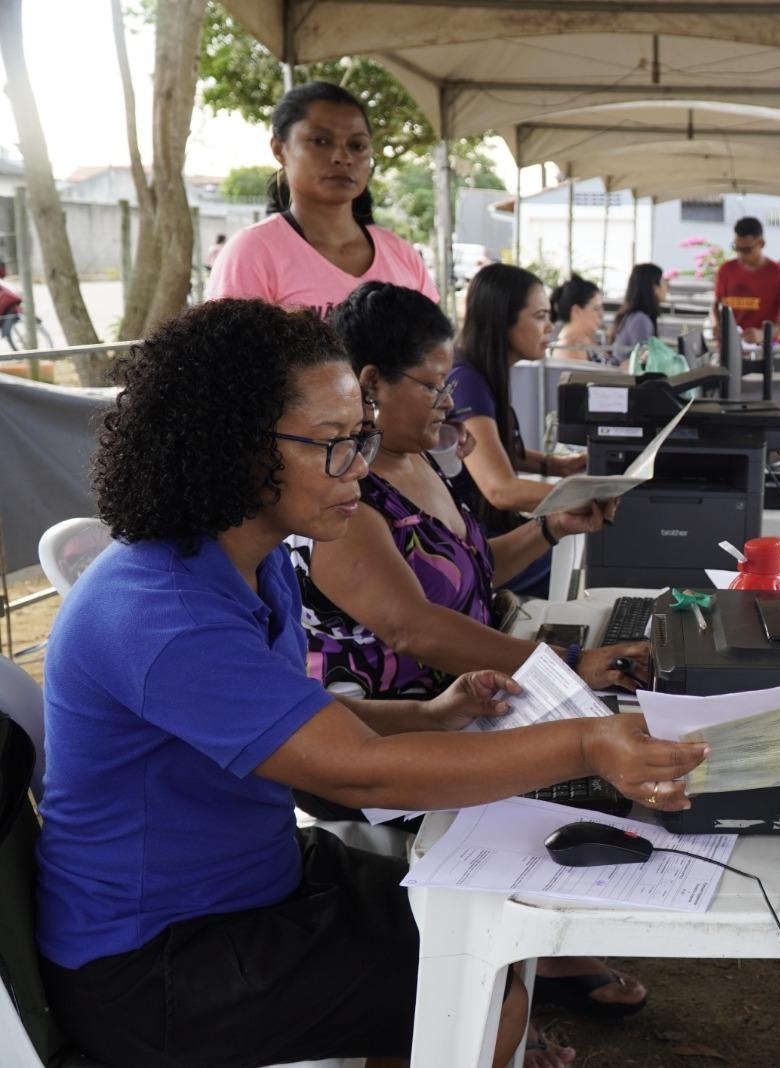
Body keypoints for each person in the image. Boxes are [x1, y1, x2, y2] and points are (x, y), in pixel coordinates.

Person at [34, 298, 706, 1068]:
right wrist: (589, 742)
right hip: (157, 965)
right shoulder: (163, 610)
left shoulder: (242, 559)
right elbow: (352, 773)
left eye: (359, 437)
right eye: (331, 445)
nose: (358, 465)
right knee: (476, 982)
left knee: (487, 932)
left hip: (248, 890)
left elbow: (302, 718)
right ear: (233, 447)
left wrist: (437, 716)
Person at [297, 282, 645, 703]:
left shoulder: (417, 460)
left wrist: (551, 528)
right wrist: (571, 663)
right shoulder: (346, 494)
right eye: (434, 386)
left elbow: (471, 573)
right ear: (372, 383)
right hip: (400, 728)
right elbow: (414, 629)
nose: (447, 403)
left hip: (472, 698)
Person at [206, 81, 435, 316]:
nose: (343, 157)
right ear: (279, 149)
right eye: (320, 141)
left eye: (357, 145)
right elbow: (227, 351)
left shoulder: (402, 255)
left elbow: (435, 348)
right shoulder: (252, 253)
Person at [449, 263, 587, 541]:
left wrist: (558, 465)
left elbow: (494, 451)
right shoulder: (467, 383)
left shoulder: (481, 374)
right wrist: (584, 498)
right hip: (477, 545)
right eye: (540, 316)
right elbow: (500, 488)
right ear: (501, 321)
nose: (550, 326)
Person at [714, 216, 780, 342]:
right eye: (737, 248)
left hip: (763, 352)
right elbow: (716, 305)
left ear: (761, 243)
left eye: (747, 249)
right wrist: (717, 325)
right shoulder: (725, 270)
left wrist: (763, 334)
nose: (741, 255)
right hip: (728, 348)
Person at [608, 262, 667, 364]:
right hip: (628, 379)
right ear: (654, 288)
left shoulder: (633, 317)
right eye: (663, 281)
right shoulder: (640, 320)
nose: (666, 287)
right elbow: (645, 361)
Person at [549, 275, 604, 360]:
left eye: (601, 308)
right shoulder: (569, 349)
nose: (601, 315)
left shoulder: (587, 341)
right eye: (596, 309)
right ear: (576, 310)